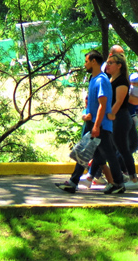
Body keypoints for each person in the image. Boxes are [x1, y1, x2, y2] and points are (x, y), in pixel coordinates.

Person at [55, 50, 126, 194]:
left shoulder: (101, 80)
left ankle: (118, 184)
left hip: (100, 126)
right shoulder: (93, 79)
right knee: (84, 153)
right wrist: (87, 115)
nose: (85, 64)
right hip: (92, 123)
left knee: (109, 156)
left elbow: (102, 104)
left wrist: (96, 126)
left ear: (94, 62)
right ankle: (73, 182)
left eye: (87, 61)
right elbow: (92, 105)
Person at [101, 52, 138, 189]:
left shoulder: (122, 81)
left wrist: (110, 115)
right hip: (114, 118)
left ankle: (133, 179)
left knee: (123, 149)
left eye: (111, 63)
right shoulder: (111, 79)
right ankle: (115, 177)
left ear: (119, 66)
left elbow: (119, 101)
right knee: (112, 148)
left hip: (121, 118)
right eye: (107, 63)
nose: (108, 65)